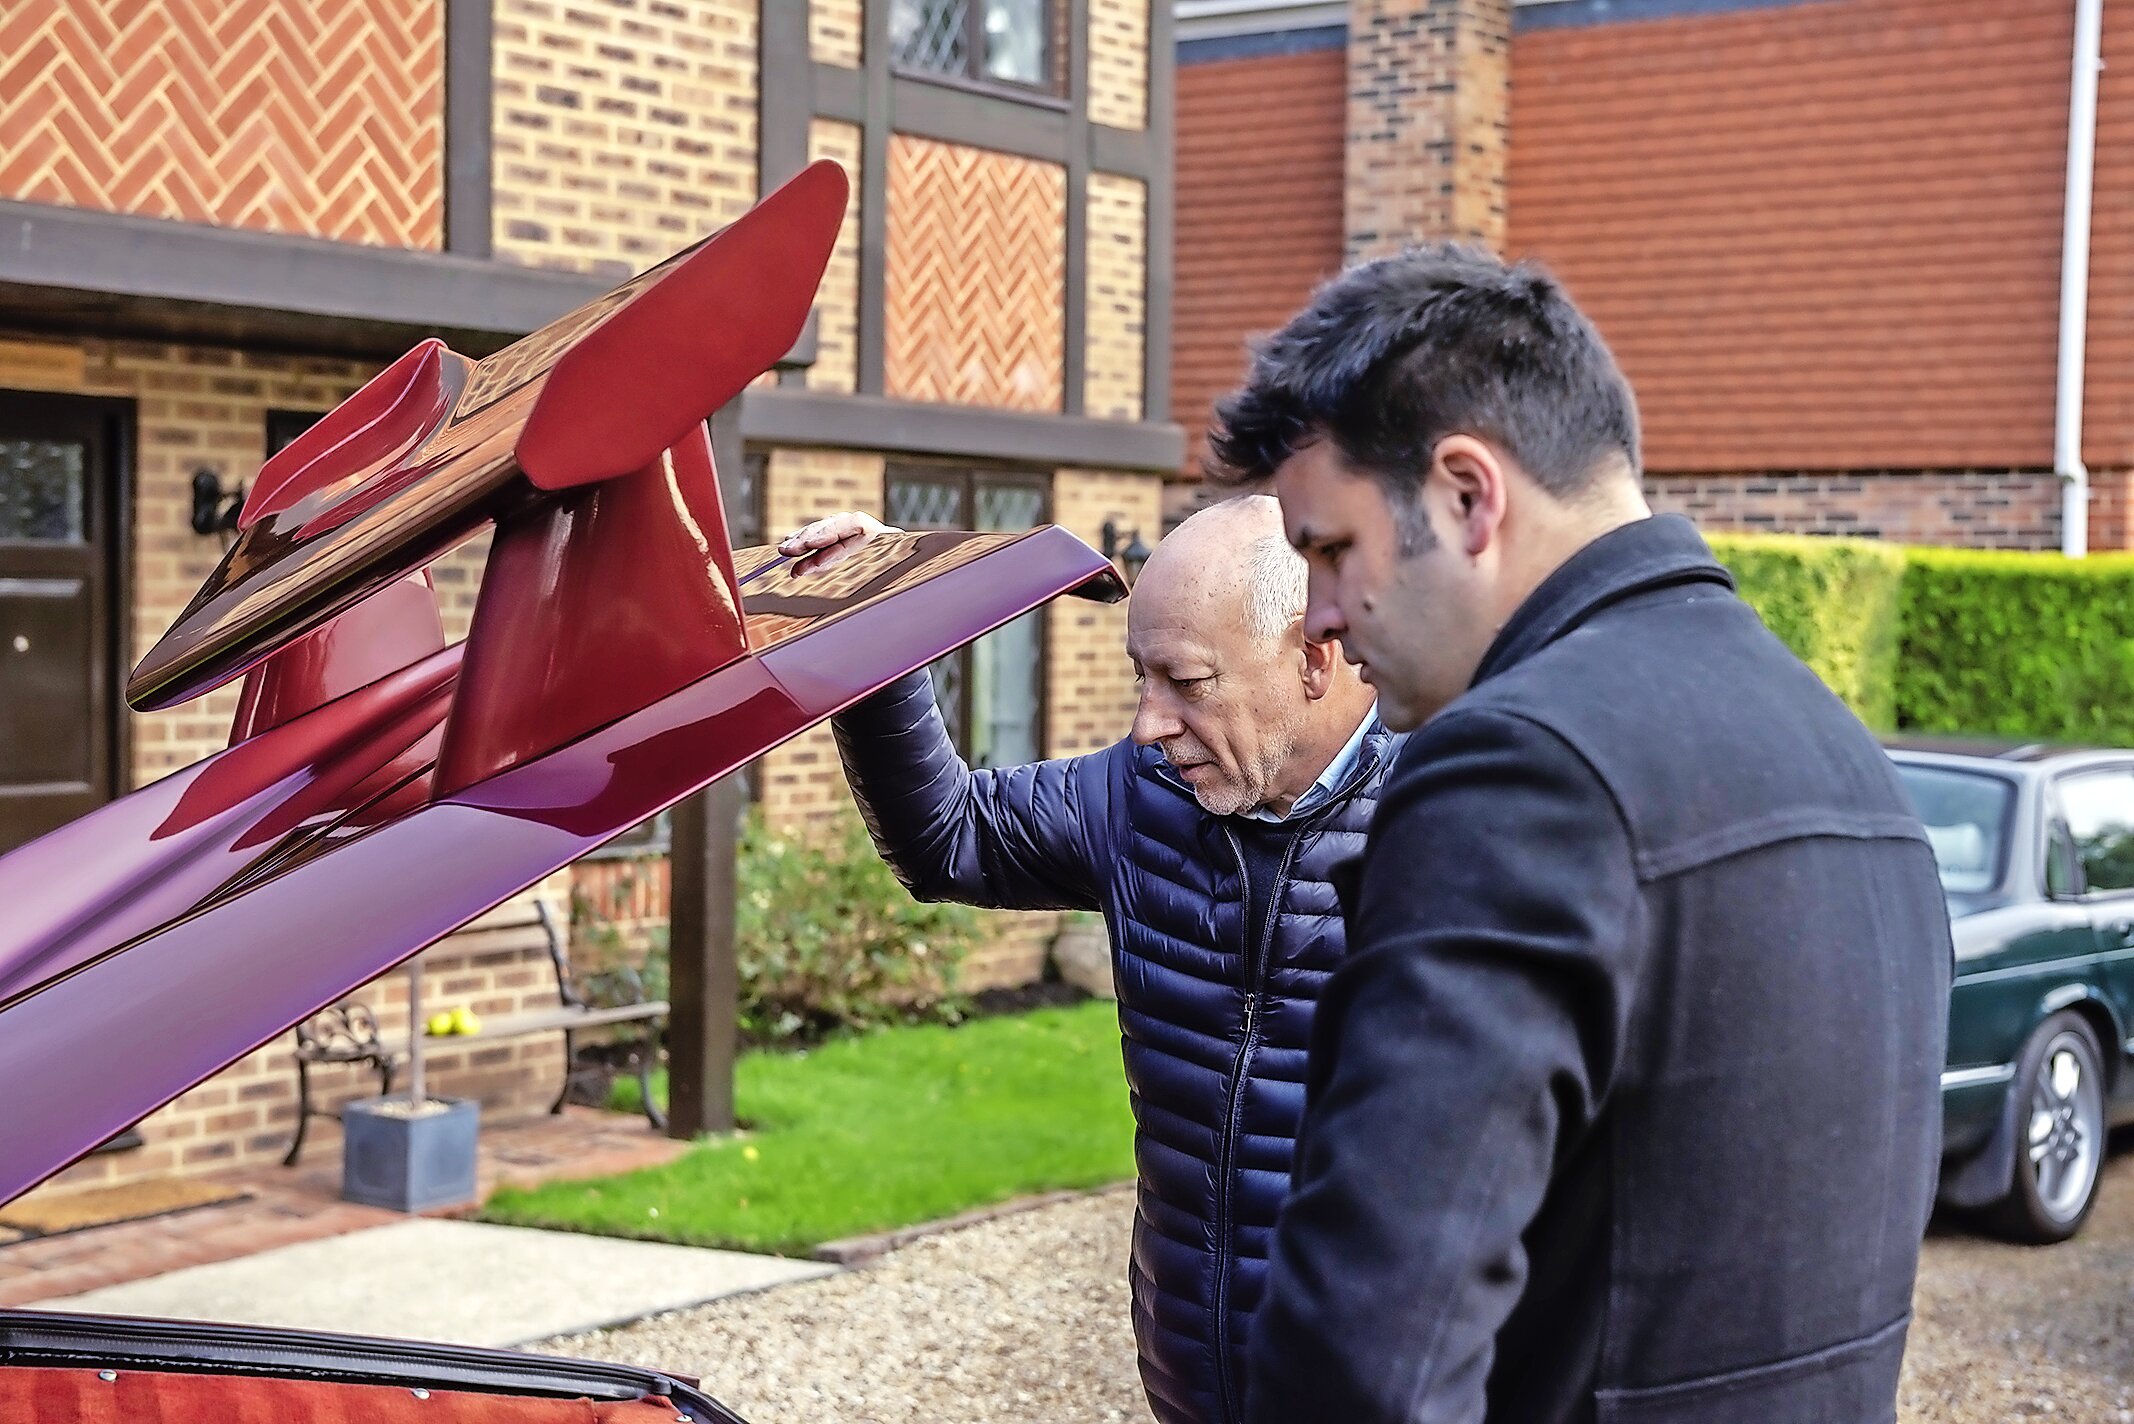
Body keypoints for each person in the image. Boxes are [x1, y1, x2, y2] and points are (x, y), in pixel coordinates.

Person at [1204, 245, 1951, 1424]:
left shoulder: (1519, 769)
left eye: (1330, 549)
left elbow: (1367, 1352)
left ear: (1465, 494)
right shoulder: (1848, 759)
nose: (1324, 616)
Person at [777, 496, 1393, 1424]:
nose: (1150, 723)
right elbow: (949, 839)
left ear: (1313, 660)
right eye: (1142, 677)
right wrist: (882, 616)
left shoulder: (1455, 820)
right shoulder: (1139, 797)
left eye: (1186, 681)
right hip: (1193, 1374)